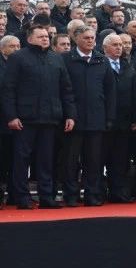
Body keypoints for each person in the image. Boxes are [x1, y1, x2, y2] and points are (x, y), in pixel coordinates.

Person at [1, 25, 76, 208]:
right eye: (40, 36)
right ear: (30, 39)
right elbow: (8, 89)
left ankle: (46, 197)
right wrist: (11, 116)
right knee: (22, 159)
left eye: (46, 36)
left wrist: (70, 115)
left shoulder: (56, 59)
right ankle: (22, 197)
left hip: (50, 118)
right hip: (25, 119)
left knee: (46, 160)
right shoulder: (18, 58)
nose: (45, 39)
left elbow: (66, 90)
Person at [61, 27, 115, 206]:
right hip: (72, 120)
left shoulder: (102, 60)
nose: (90, 41)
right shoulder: (66, 60)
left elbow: (110, 91)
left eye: (92, 38)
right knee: (70, 161)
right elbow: (62, 89)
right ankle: (70, 195)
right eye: (86, 38)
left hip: (96, 119)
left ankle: (92, 194)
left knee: (93, 161)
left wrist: (109, 117)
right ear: (76, 39)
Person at [101, 33, 136, 203]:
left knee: (121, 160)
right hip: (103, 121)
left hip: (124, 121)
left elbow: (134, 93)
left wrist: (135, 118)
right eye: (115, 44)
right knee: (100, 159)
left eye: (120, 45)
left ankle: (119, 192)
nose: (119, 47)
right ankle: (99, 192)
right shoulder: (99, 64)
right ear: (105, 47)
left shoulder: (127, 66)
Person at [0, 35, 18, 201]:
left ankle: (15, 194)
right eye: (12, 46)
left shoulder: (21, 63)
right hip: (2, 120)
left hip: (19, 119)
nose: (16, 49)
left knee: (16, 159)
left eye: (18, 46)